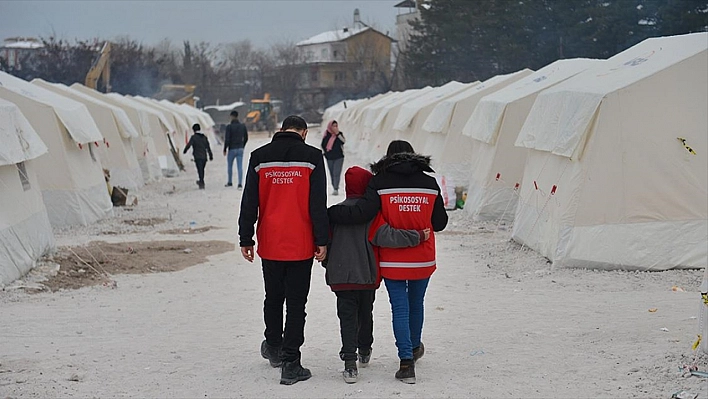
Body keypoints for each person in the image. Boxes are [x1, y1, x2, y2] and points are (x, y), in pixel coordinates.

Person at [327, 140, 448, 384]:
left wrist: (329, 213)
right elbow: (440, 223)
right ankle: (414, 347)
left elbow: (363, 213)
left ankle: (406, 364)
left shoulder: (380, 183)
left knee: (400, 308)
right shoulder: (430, 183)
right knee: (417, 304)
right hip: (423, 258)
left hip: (392, 260)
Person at [238, 115, 329, 386]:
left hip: (271, 241)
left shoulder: (260, 156)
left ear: (281, 130)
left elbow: (249, 200)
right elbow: (317, 202)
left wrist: (246, 237)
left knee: (273, 297)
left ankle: (274, 346)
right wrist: (321, 239)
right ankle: (292, 362)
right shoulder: (312, 157)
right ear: (303, 132)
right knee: (297, 303)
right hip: (301, 242)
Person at [183, 123, 213, 189]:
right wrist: (210, 155)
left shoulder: (193, 137)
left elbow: (189, 145)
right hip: (204, 156)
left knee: (199, 169)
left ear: (193, 130)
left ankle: (201, 182)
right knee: (202, 169)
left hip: (197, 156)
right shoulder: (204, 137)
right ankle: (201, 181)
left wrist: (185, 150)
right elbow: (208, 146)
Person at [223, 110, 248, 188]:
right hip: (240, 148)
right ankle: (240, 183)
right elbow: (246, 137)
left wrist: (225, 148)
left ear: (231, 116)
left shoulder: (229, 127)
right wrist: (242, 146)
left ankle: (230, 182)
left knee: (230, 166)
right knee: (240, 167)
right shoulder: (242, 126)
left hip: (232, 148)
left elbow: (227, 139)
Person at [321, 120, 345, 196]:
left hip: (339, 157)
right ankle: (333, 185)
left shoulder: (339, 134)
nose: (335, 128)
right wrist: (326, 152)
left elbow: (343, 141)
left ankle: (336, 188)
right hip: (329, 157)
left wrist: (337, 134)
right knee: (331, 172)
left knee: (336, 172)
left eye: (336, 126)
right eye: (333, 126)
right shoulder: (326, 135)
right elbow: (323, 145)